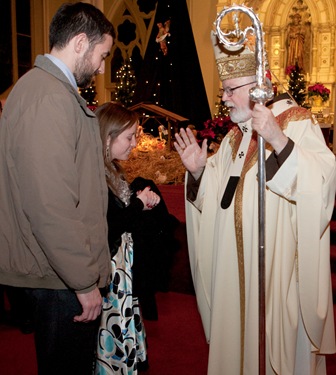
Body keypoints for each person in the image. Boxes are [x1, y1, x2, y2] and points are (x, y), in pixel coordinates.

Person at [174, 31, 336, 374]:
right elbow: (216, 198)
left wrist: (278, 140)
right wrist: (200, 171)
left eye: (232, 89)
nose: (225, 98)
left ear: (260, 85)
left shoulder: (298, 121)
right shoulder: (234, 137)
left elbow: (322, 185)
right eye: (224, 89)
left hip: (275, 277)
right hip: (232, 275)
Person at [0, 3, 115, 375]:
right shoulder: (48, 96)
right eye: (102, 56)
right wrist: (83, 281)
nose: (101, 67)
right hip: (59, 277)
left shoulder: (49, 90)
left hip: (59, 272)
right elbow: (50, 204)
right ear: (80, 43)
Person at [94, 102, 161, 373]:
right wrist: (137, 205)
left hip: (122, 267)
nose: (134, 143)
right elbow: (107, 224)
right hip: (108, 269)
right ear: (107, 137)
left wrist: (139, 203)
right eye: (129, 137)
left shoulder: (113, 168)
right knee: (111, 331)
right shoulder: (96, 173)